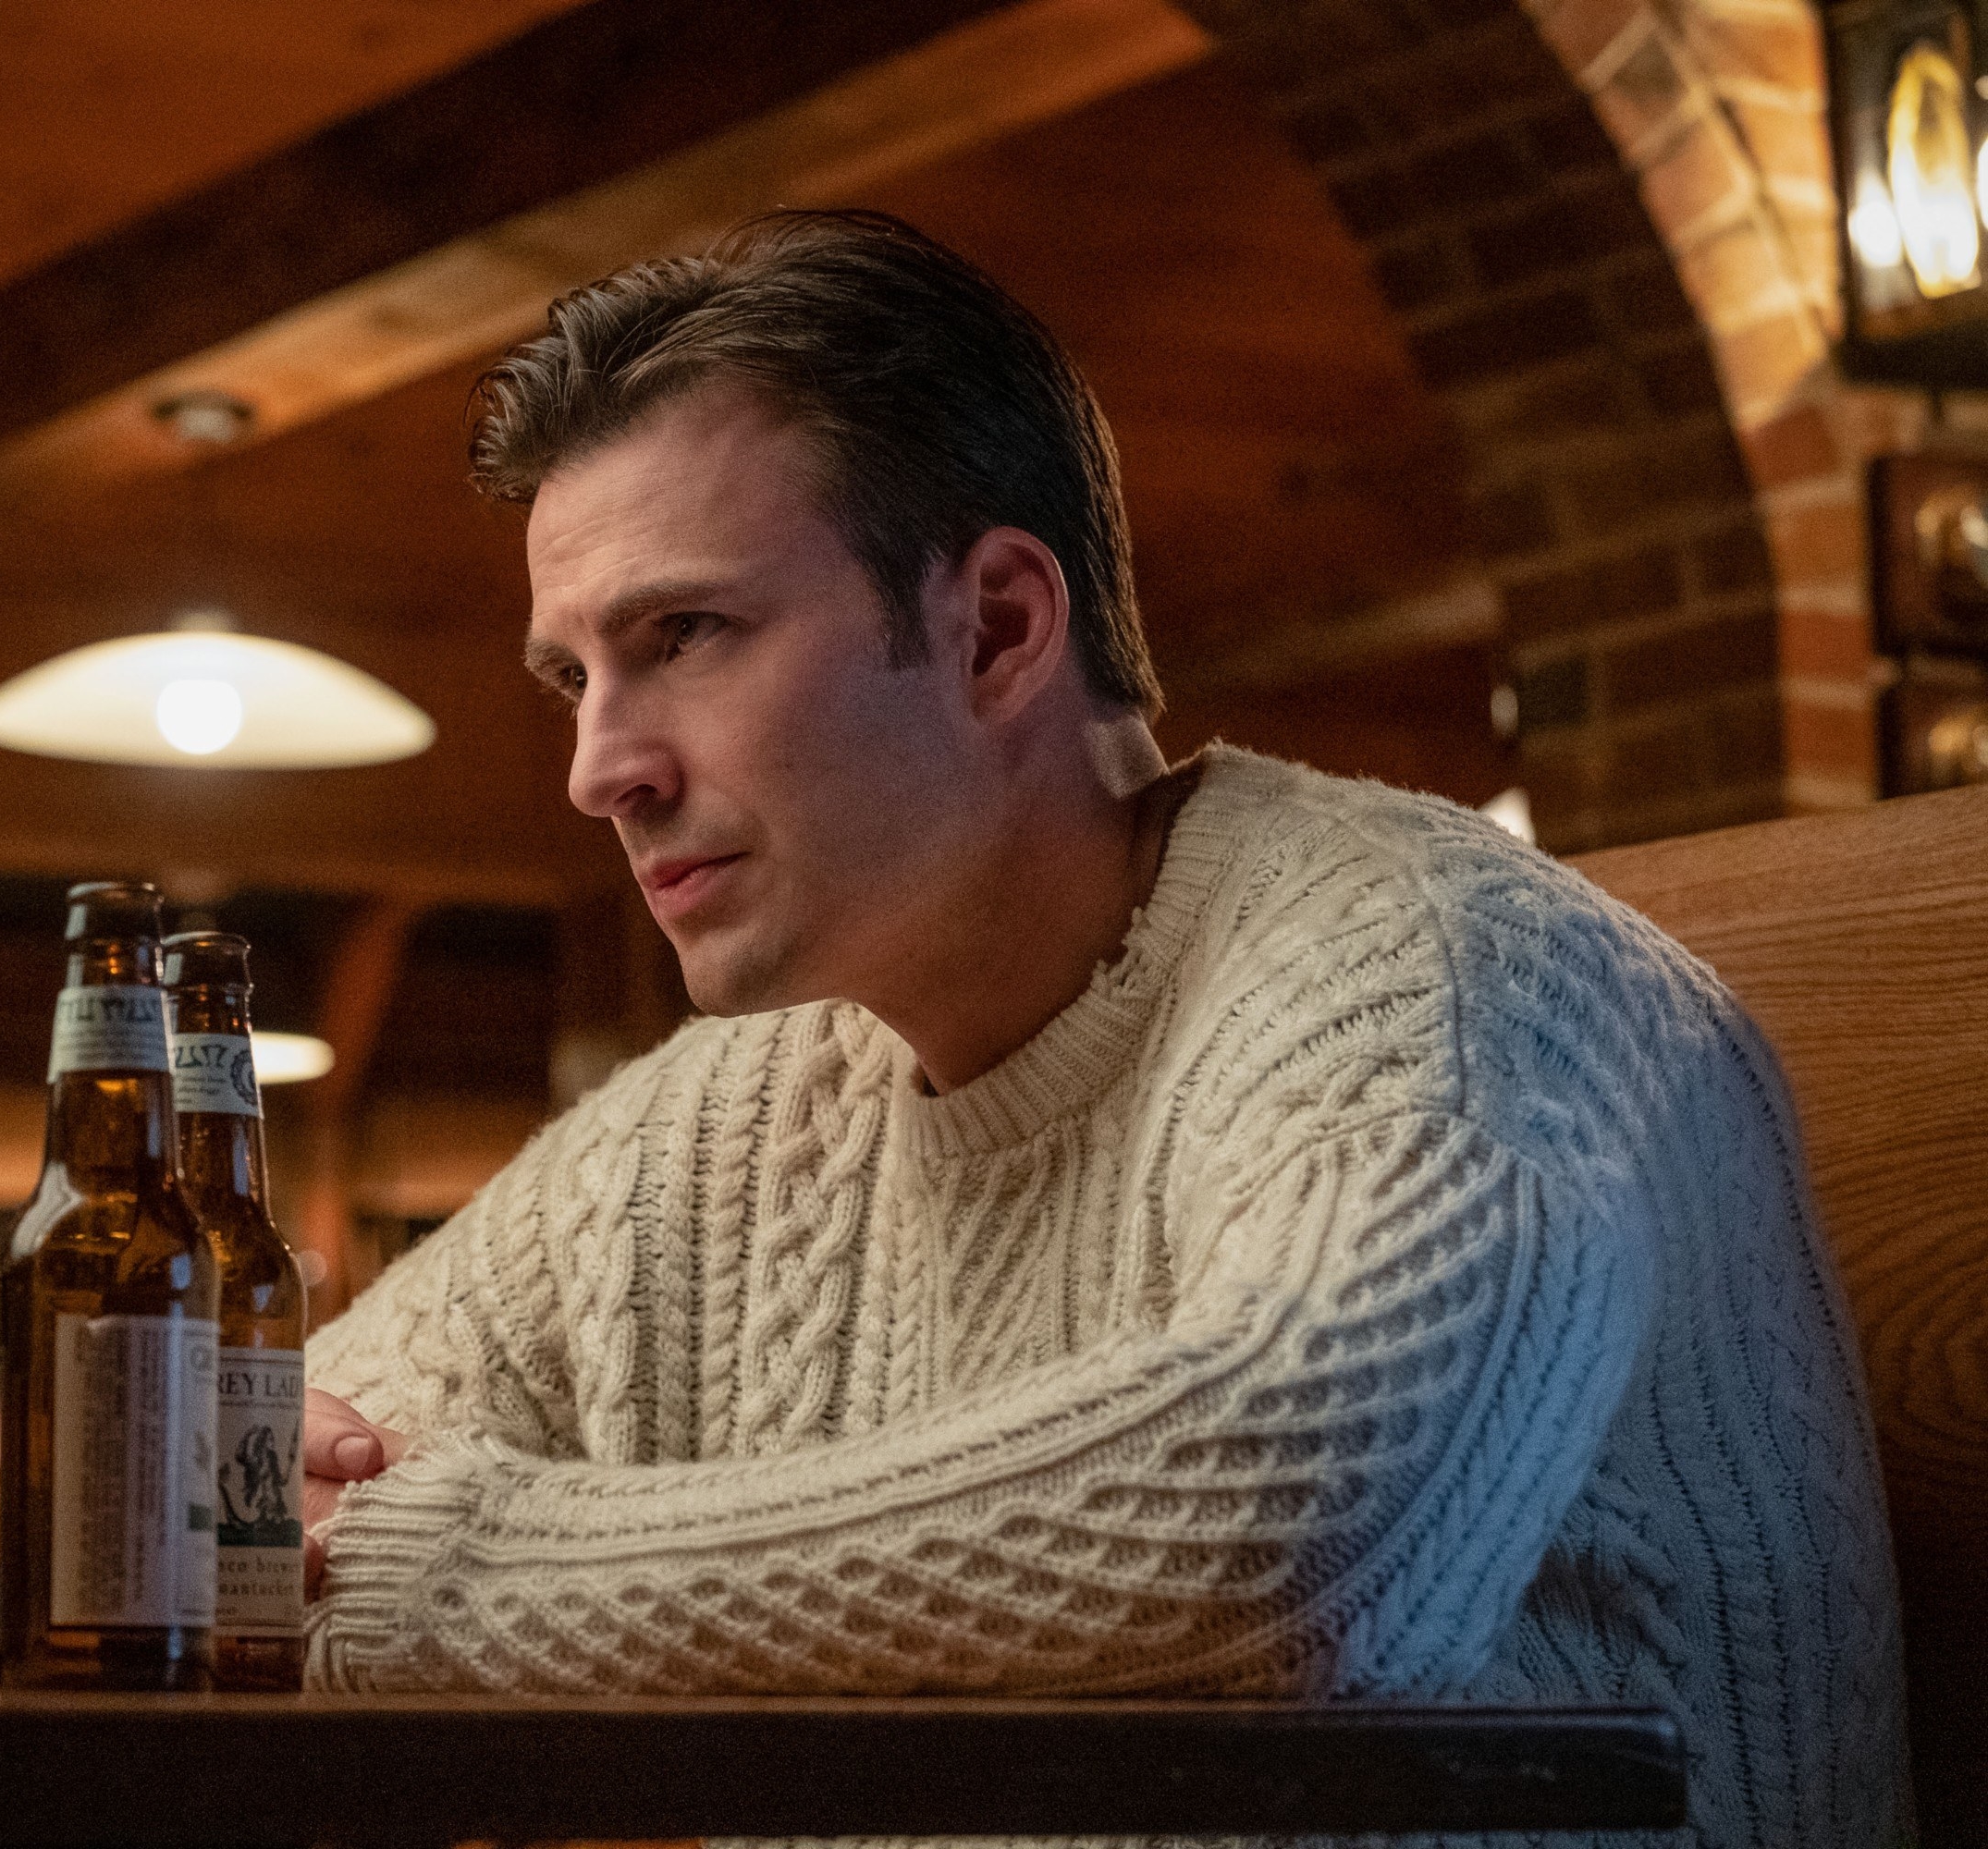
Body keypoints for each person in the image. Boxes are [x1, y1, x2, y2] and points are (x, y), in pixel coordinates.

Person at [297, 211, 1908, 1847]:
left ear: (999, 627)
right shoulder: (730, 1116)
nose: (600, 766)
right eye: (572, 677)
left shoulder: (1437, 974)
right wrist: (298, 1514)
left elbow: (1287, 1549)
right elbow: (280, 1468)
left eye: (682, 638)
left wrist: (456, 1573)